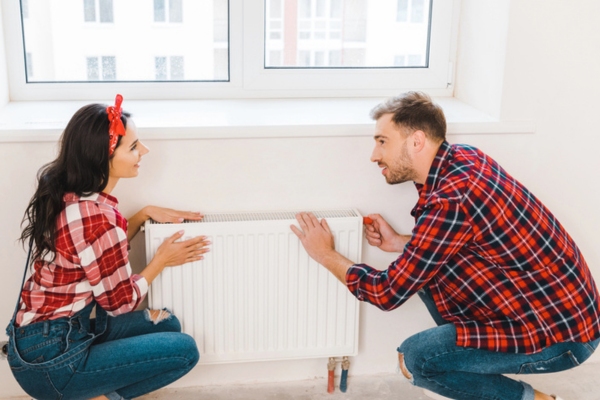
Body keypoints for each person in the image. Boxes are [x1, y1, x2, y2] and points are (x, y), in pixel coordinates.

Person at [291, 91, 600, 400]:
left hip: (562, 338)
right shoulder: (463, 158)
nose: (374, 155)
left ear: (416, 141)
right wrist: (401, 242)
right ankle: (479, 370)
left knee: (419, 360)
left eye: (382, 141)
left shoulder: (452, 198)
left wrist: (324, 254)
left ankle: (529, 399)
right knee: (429, 279)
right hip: (555, 312)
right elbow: (459, 243)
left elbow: (387, 293)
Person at [4, 95, 210, 400]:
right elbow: (121, 302)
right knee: (185, 351)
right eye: (134, 147)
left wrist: (143, 214)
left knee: (167, 323)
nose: (145, 151)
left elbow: (94, 256)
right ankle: (92, 395)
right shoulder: (98, 219)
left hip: (45, 338)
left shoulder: (71, 192)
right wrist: (161, 260)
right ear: (103, 158)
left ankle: (90, 392)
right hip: (52, 362)